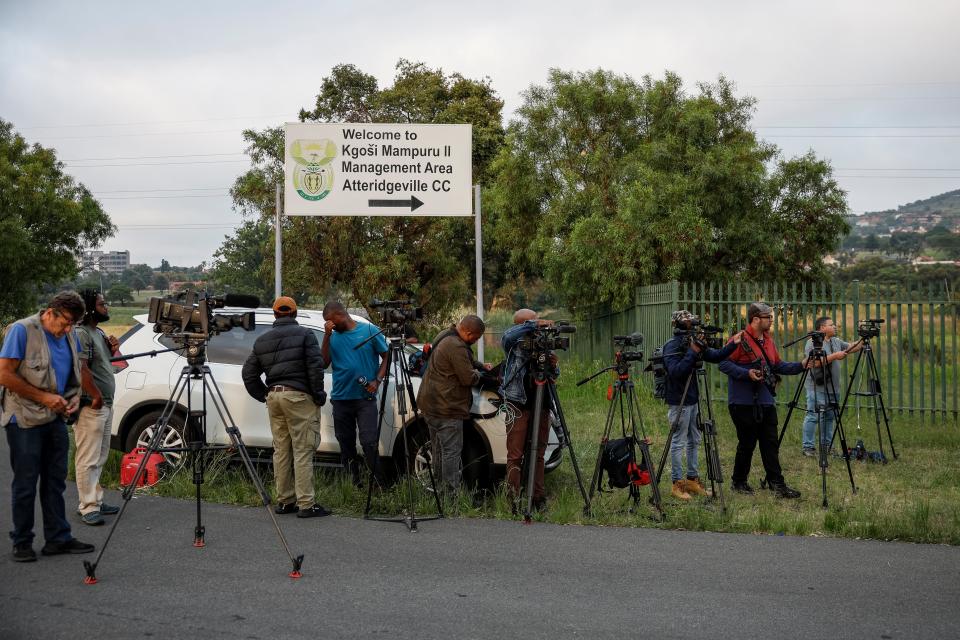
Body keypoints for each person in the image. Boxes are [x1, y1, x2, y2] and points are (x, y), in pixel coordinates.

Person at [0, 291, 95, 562]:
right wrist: (44, 397)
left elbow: (72, 374)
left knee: (55, 482)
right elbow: (4, 374)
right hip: (25, 420)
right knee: (26, 483)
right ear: (50, 312)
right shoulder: (22, 330)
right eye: (64, 323)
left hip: (55, 417)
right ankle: (22, 542)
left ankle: (58, 538)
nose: (66, 330)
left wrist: (75, 398)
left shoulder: (69, 334)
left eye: (72, 325)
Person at [242, 296, 329, 518]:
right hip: (299, 397)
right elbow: (315, 367)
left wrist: (264, 394)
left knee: (281, 450)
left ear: (274, 315)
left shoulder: (263, 340)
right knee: (302, 450)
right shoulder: (305, 335)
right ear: (295, 313)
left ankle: (285, 501)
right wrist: (318, 395)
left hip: (275, 397)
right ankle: (306, 505)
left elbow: (248, 373)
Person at [718, 302, 808, 499]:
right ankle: (739, 482)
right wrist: (746, 373)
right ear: (755, 319)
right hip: (742, 401)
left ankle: (777, 485)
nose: (771, 320)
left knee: (770, 443)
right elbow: (723, 363)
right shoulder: (739, 339)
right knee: (747, 443)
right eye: (768, 317)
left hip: (766, 401)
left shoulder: (768, 340)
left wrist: (802, 365)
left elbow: (777, 365)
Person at [662, 310, 742, 500]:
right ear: (678, 324)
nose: (692, 324)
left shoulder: (694, 343)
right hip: (678, 400)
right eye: (688, 321)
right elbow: (676, 371)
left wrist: (733, 344)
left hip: (693, 399)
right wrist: (692, 352)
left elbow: (715, 356)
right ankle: (677, 484)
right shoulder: (671, 346)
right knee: (678, 442)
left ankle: (692, 480)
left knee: (695, 440)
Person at [415, 315, 487, 494]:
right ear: (468, 332)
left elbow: (461, 360)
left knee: (438, 449)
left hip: (430, 405)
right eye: (476, 338)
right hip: (446, 408)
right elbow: (468, 378)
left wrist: (479, 364)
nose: (475, 341)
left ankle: (440, 490)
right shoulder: (456, 345)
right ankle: (450, 493)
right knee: (451, 452)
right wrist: (482, 374)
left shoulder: (445, 335)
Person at [321, 301, 389, 487]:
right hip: (341, 399)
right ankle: (354, 483)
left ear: (340, 316)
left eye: (330, 321)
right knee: (345, 443)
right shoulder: (333, 337)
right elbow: (323, 363)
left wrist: (378, 380)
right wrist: (326, 336)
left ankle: (379, 485)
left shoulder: (368, 331)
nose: (329, 325)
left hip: (364, 399)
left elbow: (387, 356)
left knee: (368, 442)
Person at [499, 308, 556, 511]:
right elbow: (507, 336)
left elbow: (553, 373)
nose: (537, 326)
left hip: (542, 403)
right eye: (532, 322)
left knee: (538, 453)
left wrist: (552, 365)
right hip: (518, 403)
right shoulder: (513, 343)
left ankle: (537, 498)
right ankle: (513, 500)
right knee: (515, 455)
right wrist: (532, 325)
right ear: (521, 325)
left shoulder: (543, 343)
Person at [73, 289, 121, 526]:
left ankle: (96, 500)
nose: (107, 307)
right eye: (102, 304)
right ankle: (87, 506)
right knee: (87, 457)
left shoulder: (98, 331)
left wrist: (113, 348)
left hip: (105, 403)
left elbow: (113, 365)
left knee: (100, 455)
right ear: (90, 308)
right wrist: (95, 397)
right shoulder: (81, 333)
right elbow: (81, 369)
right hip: (91, 404)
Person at [801, 317, 862, 457]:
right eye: (831, 325)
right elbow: (814, 363)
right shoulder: (812, 342)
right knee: (813, 416)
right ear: (822, 328)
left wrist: (863, 338)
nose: (835, 326)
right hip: (816, 387)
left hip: (833, 388)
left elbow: (853, 347)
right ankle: (808, 448)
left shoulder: (835, 341)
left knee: (829, 417)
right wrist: (835, 356)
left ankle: (827, 446)